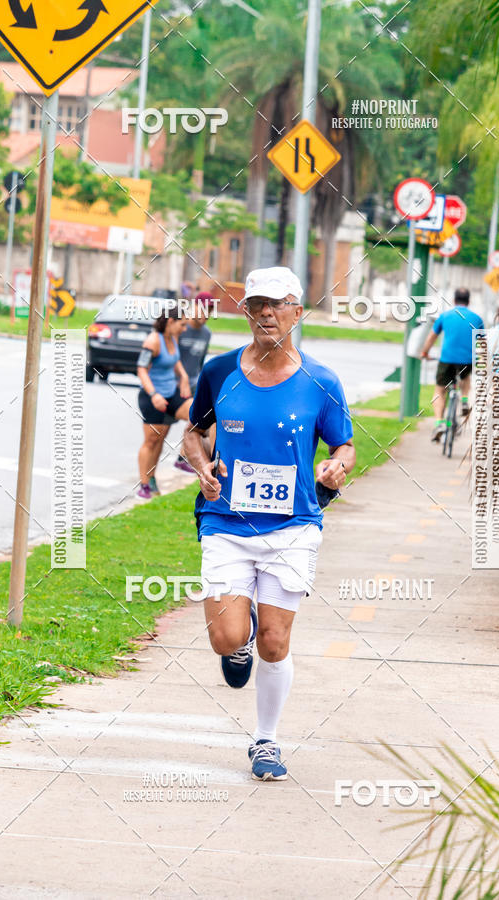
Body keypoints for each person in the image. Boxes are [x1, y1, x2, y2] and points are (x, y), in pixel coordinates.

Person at [182, 266, 355, 781]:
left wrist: (336, 467)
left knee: (276, 645)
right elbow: (193, 433)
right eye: (257, 303)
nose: (266, 312)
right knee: (225, 639)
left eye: (278, 303)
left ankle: (266, 741)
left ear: (297, 312)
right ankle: (242, 635)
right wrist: (202, 465)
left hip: (293, 526)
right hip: (226, 522)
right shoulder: (220, 372)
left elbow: (342, 445)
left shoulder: (320, 382)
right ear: (247, 310)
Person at [136, 304, 192, 499]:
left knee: (199, 414)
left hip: (171, 393)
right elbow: (141, 369)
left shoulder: (172, 337)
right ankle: (145, 483)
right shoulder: (153, 341)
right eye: (182, 324)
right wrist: (154, 395)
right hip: (153, 396)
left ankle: (183, 458)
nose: (185, 329)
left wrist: (183, 376)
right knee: (153, 440)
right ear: (170, 321)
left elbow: (174, 359)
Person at [421, 287, 484, 442]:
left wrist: (425, 353)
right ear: (468, 302)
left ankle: (439, 423)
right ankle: (463, 400)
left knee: (440, 390)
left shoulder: (444, 316)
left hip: (447, 360)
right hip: (467, 361)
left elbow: (431, 337)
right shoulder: (477, 319)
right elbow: (482, 343)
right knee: (466, 377)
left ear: (454, 300)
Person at [175, 291, 214, 473]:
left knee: (204, 420)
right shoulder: (181, 328)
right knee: (155, 439)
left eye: (210, 310)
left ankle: (183, 457)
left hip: (192, 387)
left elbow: (200, 362)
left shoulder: (206, 334)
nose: (206, 315)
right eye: (203, 309)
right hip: (173, 387)